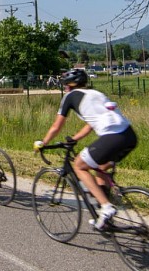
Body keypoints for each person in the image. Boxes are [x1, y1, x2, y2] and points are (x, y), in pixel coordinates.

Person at [35, 68, 137, 230]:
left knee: (79, 165)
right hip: (129, 136)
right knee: (100, 168)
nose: (66, 89)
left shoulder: (69, 97)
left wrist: (43, 142)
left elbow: (56, 126)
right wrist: (75, 139)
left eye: (66, 86)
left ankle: (106, 207)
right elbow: (91, 124)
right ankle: (104, 217)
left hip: (112, 137)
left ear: (70, 86)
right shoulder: (95, 94)